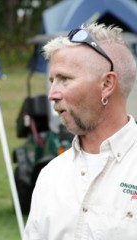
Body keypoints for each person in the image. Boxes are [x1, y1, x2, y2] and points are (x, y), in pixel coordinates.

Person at [24, 22, 137, 240]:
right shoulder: (50, 175)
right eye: (52, 80)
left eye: (64, 79)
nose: (52, 94)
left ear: (106, 84)